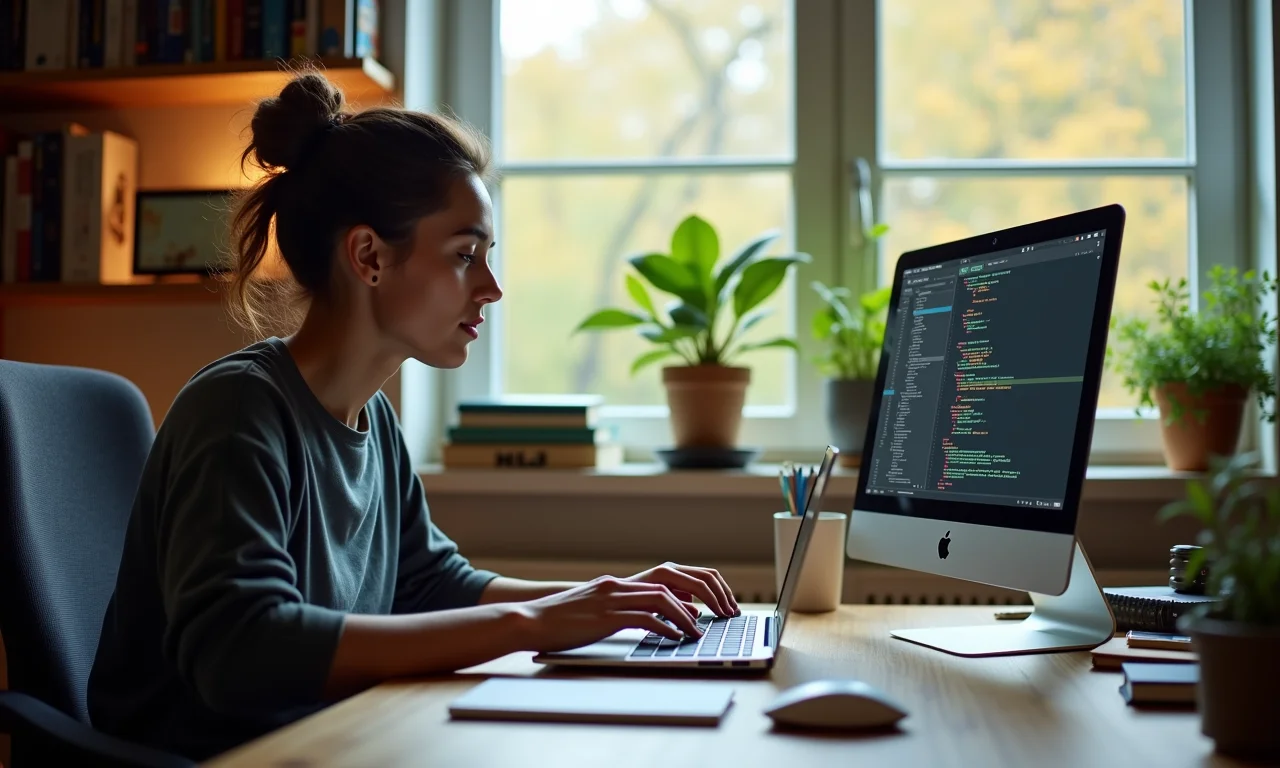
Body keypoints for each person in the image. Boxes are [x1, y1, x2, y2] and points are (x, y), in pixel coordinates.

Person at [87, 71, 740, 762]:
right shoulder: (238, 411)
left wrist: (609, 602)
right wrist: (530, 623)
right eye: (465, 255)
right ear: (369, 256)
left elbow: (429, 584)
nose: (491, 288)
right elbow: (241, 651)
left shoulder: (373, 419)